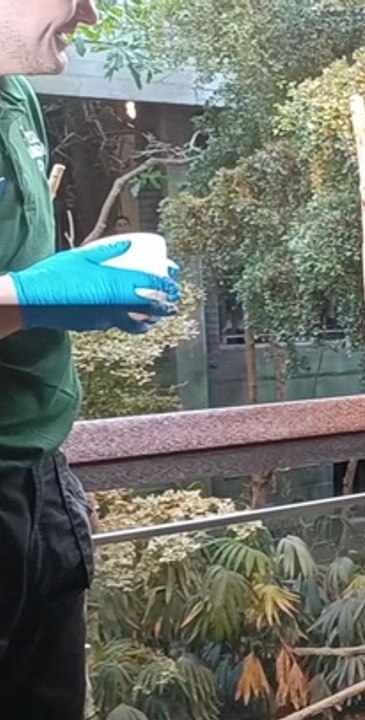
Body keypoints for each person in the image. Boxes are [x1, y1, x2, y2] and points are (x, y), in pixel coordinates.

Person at [0, 1, 181, 717]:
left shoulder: (14, 92)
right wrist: (31, 295)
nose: (90, 9)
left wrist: (75, 283)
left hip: (42, 482)